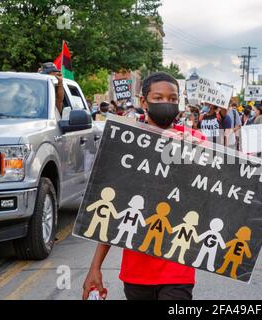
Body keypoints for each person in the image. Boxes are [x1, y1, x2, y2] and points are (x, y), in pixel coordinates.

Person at [82, 72, 205, 301]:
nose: (166, 104)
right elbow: (113, 211)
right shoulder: (128, 144)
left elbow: (213, 196)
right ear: (143, 101)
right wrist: (95, 267)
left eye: (172, 98)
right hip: (136, 272)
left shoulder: (196, 141)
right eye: (158, 98)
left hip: (177, 270)